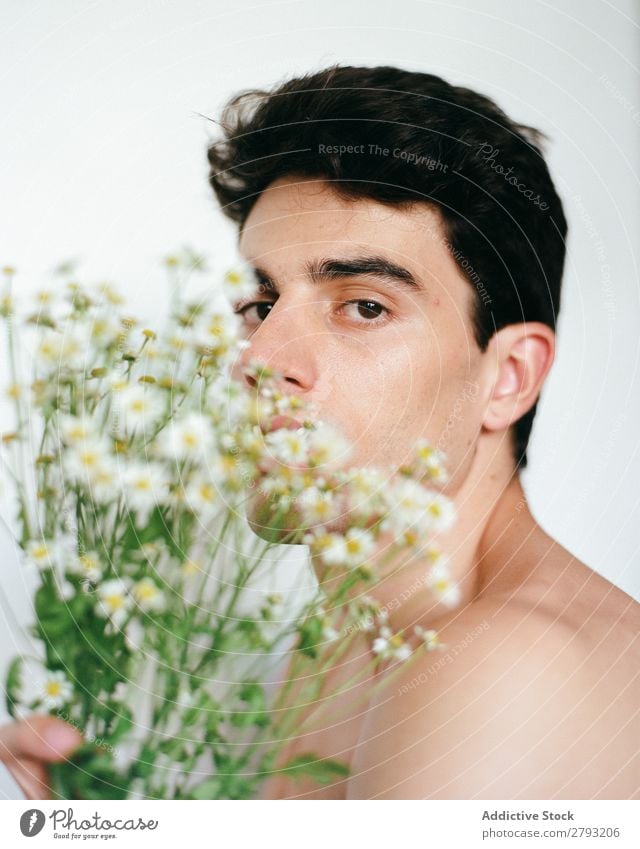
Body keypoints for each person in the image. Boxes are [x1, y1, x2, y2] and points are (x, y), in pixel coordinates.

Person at [1, 64, 638, 800]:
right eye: (263, 301)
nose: (261, 359)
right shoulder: (337, 644)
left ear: (509, 377)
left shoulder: (505, 668)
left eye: (363, 306)